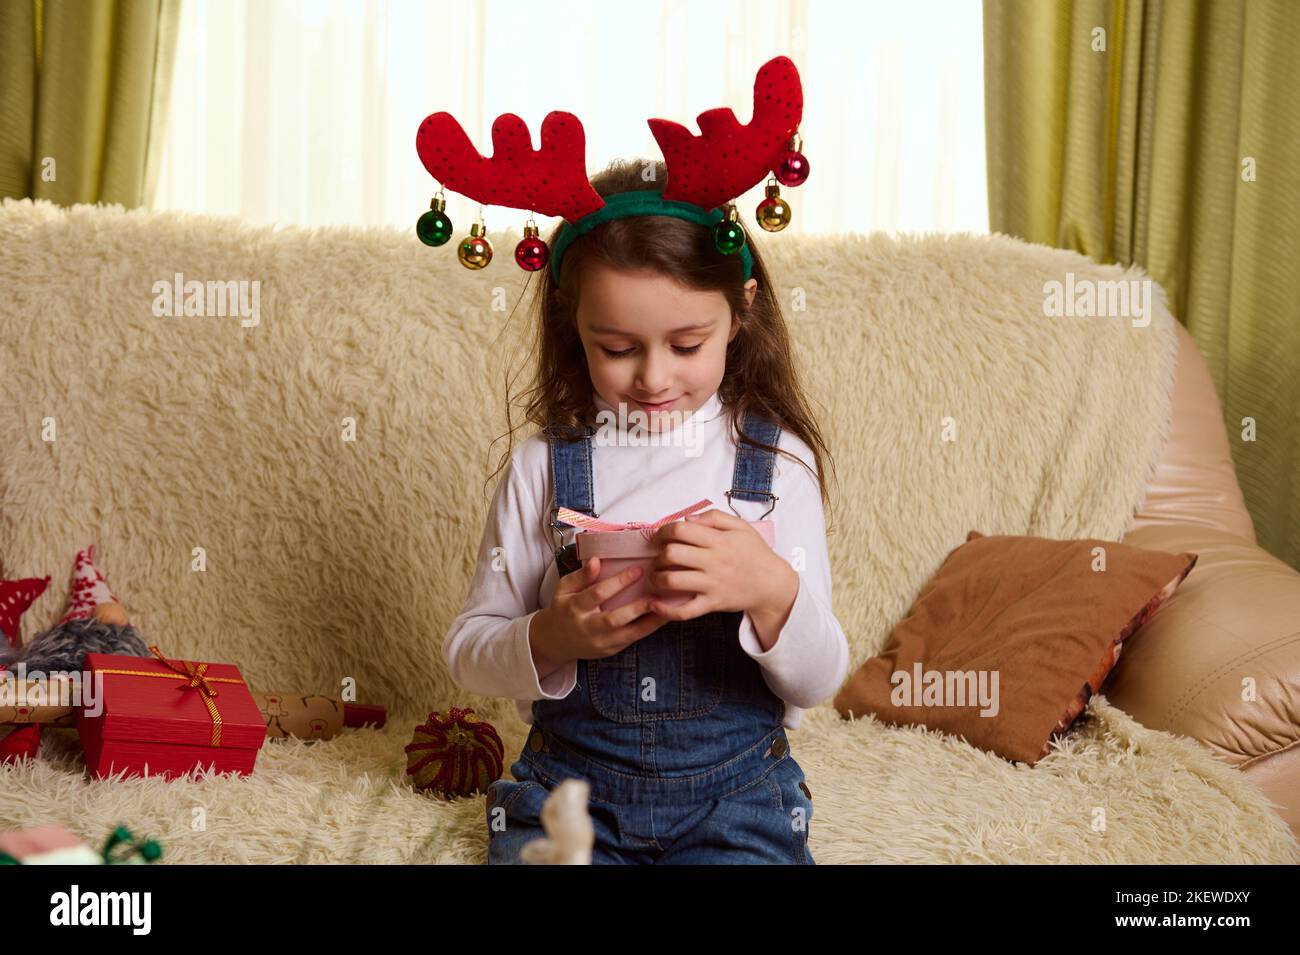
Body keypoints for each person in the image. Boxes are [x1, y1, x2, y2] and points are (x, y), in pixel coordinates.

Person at [442, 156, 850, 865]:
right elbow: (469, 650)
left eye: (687, 345)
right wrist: (551, 635)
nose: (654, 377)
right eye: (618, 348)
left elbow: (819, 680)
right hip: (569, 795)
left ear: (741, 311)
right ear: (577, 328)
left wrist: (770, 588)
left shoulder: (776, 462)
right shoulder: (546, 464)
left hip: (739, 800)